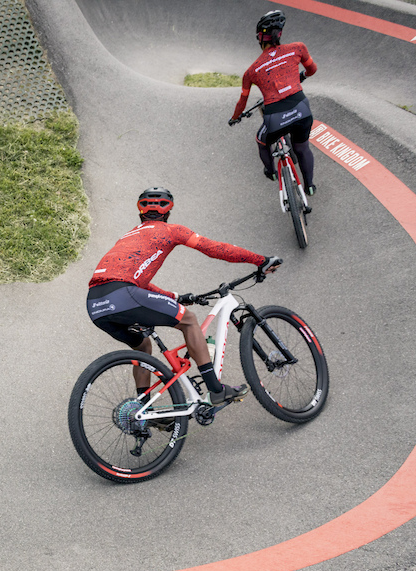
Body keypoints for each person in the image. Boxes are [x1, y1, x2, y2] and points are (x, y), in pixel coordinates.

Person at [86, 187, 282, 405]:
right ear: (168, 212)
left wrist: (175, 297)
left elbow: (137, 281)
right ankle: (216, 390)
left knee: (143, 347)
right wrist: (260, 260)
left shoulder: (129, 235)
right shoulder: (171, 230)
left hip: (96, 304)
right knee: (188, 321)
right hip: (124, 293)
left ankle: (142, 410)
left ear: (140, 211)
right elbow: (215, 248)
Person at [230, 9, 318, 195]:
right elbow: (312, 70)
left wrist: (235, 118)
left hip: (275, 116)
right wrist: (301, 76)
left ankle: (270, 172)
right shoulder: (298, 48)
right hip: (301, 108)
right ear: (280, 34)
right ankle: (309, 185)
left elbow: (242, 102)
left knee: (261, 141)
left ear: (260, 39)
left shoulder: (251, 71)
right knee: (302, 147)